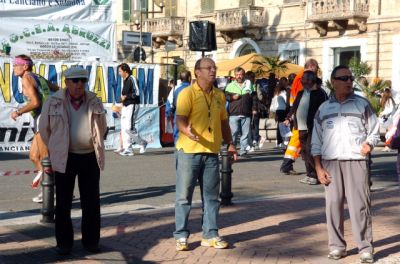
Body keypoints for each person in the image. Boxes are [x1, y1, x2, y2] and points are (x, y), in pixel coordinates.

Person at [311, 65, 379, 263]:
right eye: (343, 78)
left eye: (350, 78)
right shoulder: (324, 108)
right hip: (330, 163)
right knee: (333, 206)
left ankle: (365, 248)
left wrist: (370, 143)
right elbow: (316, 139)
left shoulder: (362, 104)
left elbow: (375, 129)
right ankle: (337, 247)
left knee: (360, 206)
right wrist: (318, 167)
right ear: (333, 83)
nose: (349, 81)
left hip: (356, 161)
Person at [39, 67, 107, 255]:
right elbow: (44, 130)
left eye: (83, 81)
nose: (79, 85)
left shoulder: (94, 100)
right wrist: (56, 149)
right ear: (66, 82)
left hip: (89, 156)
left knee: (91, 203)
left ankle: (91, 243)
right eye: (75, 80)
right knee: (63, 203)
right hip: (65, 157)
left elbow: (102, 127)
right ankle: (64, 244)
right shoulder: (53, 102)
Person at [174, 57, 238, 251]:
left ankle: (210, 234)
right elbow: (180, 119)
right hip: (189, 152)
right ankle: (181, 235)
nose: (213, 71)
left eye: (214, 67)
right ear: (197, 72)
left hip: (211, 152)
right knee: (184, 196)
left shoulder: (220, 95)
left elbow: (224, 122)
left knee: (211, 197)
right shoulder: (187, 93)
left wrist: (231, 143)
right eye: (208, 68)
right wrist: (186, 130)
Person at [10, 54, 59, 203]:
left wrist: (18, 112)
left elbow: (36, 102)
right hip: (46, 118)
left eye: (15, 65)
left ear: (24, 66)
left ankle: (52, 191)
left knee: (45, 158)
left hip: (43, 118)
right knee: (33, 156)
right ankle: (52, 187)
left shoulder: (26, 78)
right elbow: (58, 89)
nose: (13, 68)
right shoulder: (37, 76)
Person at [283, 71, 327, 185]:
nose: (303, 82)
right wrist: (288, 118)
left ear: (312, 80)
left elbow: (324, 109)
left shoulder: (320, 93)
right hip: (301, 127)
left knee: (311, 150)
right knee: (305, 152)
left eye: (306, 80)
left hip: (313, 127)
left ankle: (316, 175)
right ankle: (310, 174)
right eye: (303, 79)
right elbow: (295, 107)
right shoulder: (301, 93)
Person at [280, 58, 319, 175]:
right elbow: (300, 98)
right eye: (316, 69)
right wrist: (291, 116)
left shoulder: (300, 77)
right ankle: (287, 164)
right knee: (298, 141)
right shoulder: (304, 78)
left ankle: (288, 164)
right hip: (302, 117)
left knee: (298, 142)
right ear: (311, 67)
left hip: (300, 116)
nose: (316, 72)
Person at [225, 67, 257, 156]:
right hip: (234, 112)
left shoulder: (249, 84)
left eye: (241, 74)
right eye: (237, 74)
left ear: (244, 75)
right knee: (233, 133)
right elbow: (225, 96)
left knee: (245, 133)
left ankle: (243, 151)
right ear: (234, 76)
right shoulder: (230, 85)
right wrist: (232, 97)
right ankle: (232, 150)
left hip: (246, 112)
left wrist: (254, 108)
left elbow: (254, 98)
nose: (239, 76)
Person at [118, 63, 147, 156]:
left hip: (133, 105)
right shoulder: (125, 80)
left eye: (120, 71)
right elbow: (124, 95)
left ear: (125, 71)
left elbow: (137, 92)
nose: (119, 73)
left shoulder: (132, 78)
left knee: (129, 128)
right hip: (125, 106)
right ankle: (128, 148)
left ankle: (140, 144)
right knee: (124, 127)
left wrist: (126, 96)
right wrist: (122, 99)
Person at [165, 71, 192, 143]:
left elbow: (169, 103)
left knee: (177, 135)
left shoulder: (175, 89)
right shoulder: (194, 89)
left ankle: (178, 150)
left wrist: (168, 114)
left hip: (178, 115)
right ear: (189, 78)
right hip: (191, 116)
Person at [270, 77, 289, 148]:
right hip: (284, 109)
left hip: (277, 110)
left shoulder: (277, 91)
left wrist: (272, 110)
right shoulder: (285, 91)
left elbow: (273, 101)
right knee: (285, 125)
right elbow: (286, 101)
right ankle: (284, 141)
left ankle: (279, 141)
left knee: (280, 125)